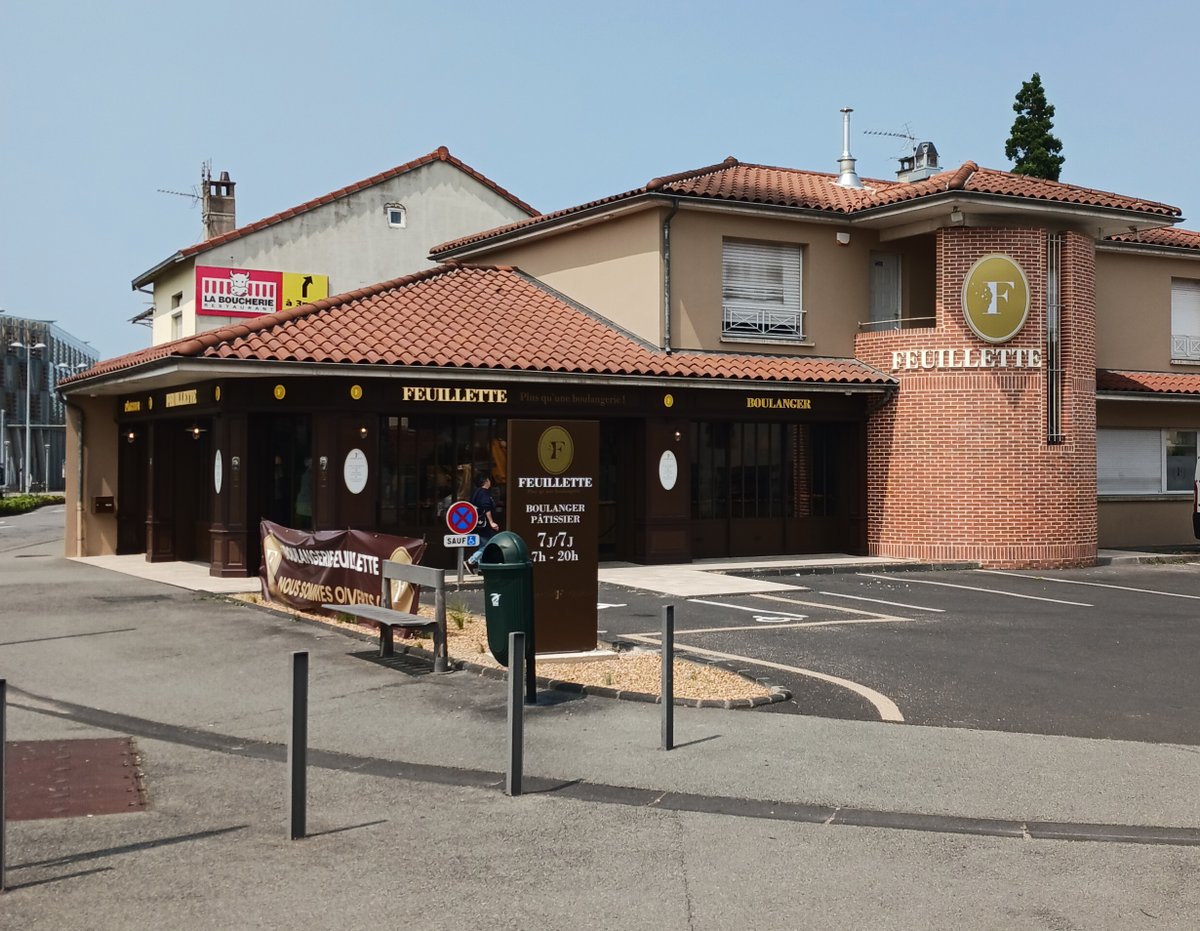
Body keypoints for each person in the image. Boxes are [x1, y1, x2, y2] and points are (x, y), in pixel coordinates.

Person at [466, 473, 499, 570]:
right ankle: (471, 561)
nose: (490, 482)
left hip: (477, 525)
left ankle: (481, 568)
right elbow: (486, 507)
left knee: (482, 545)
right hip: (485, 526)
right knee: (490, 545)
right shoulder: (484, 492)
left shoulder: (476, 492)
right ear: (485, 481)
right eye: (489, 480)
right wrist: (491, 522)